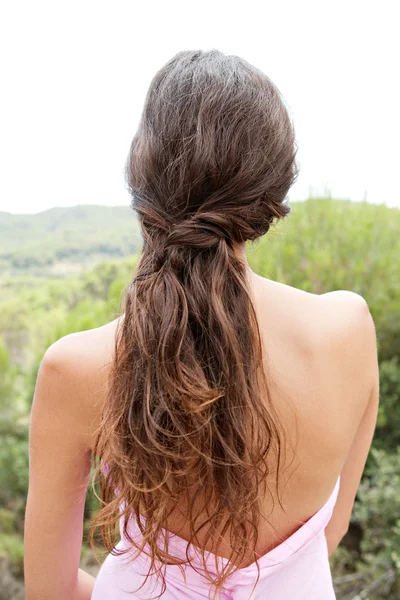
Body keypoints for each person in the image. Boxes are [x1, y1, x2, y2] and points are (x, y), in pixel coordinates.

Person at [24, 49, 379, 600]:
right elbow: (323, 541)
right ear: (275, 190)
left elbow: (50, 591)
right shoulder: (349, 330)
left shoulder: (77, 368)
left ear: (142, 184)